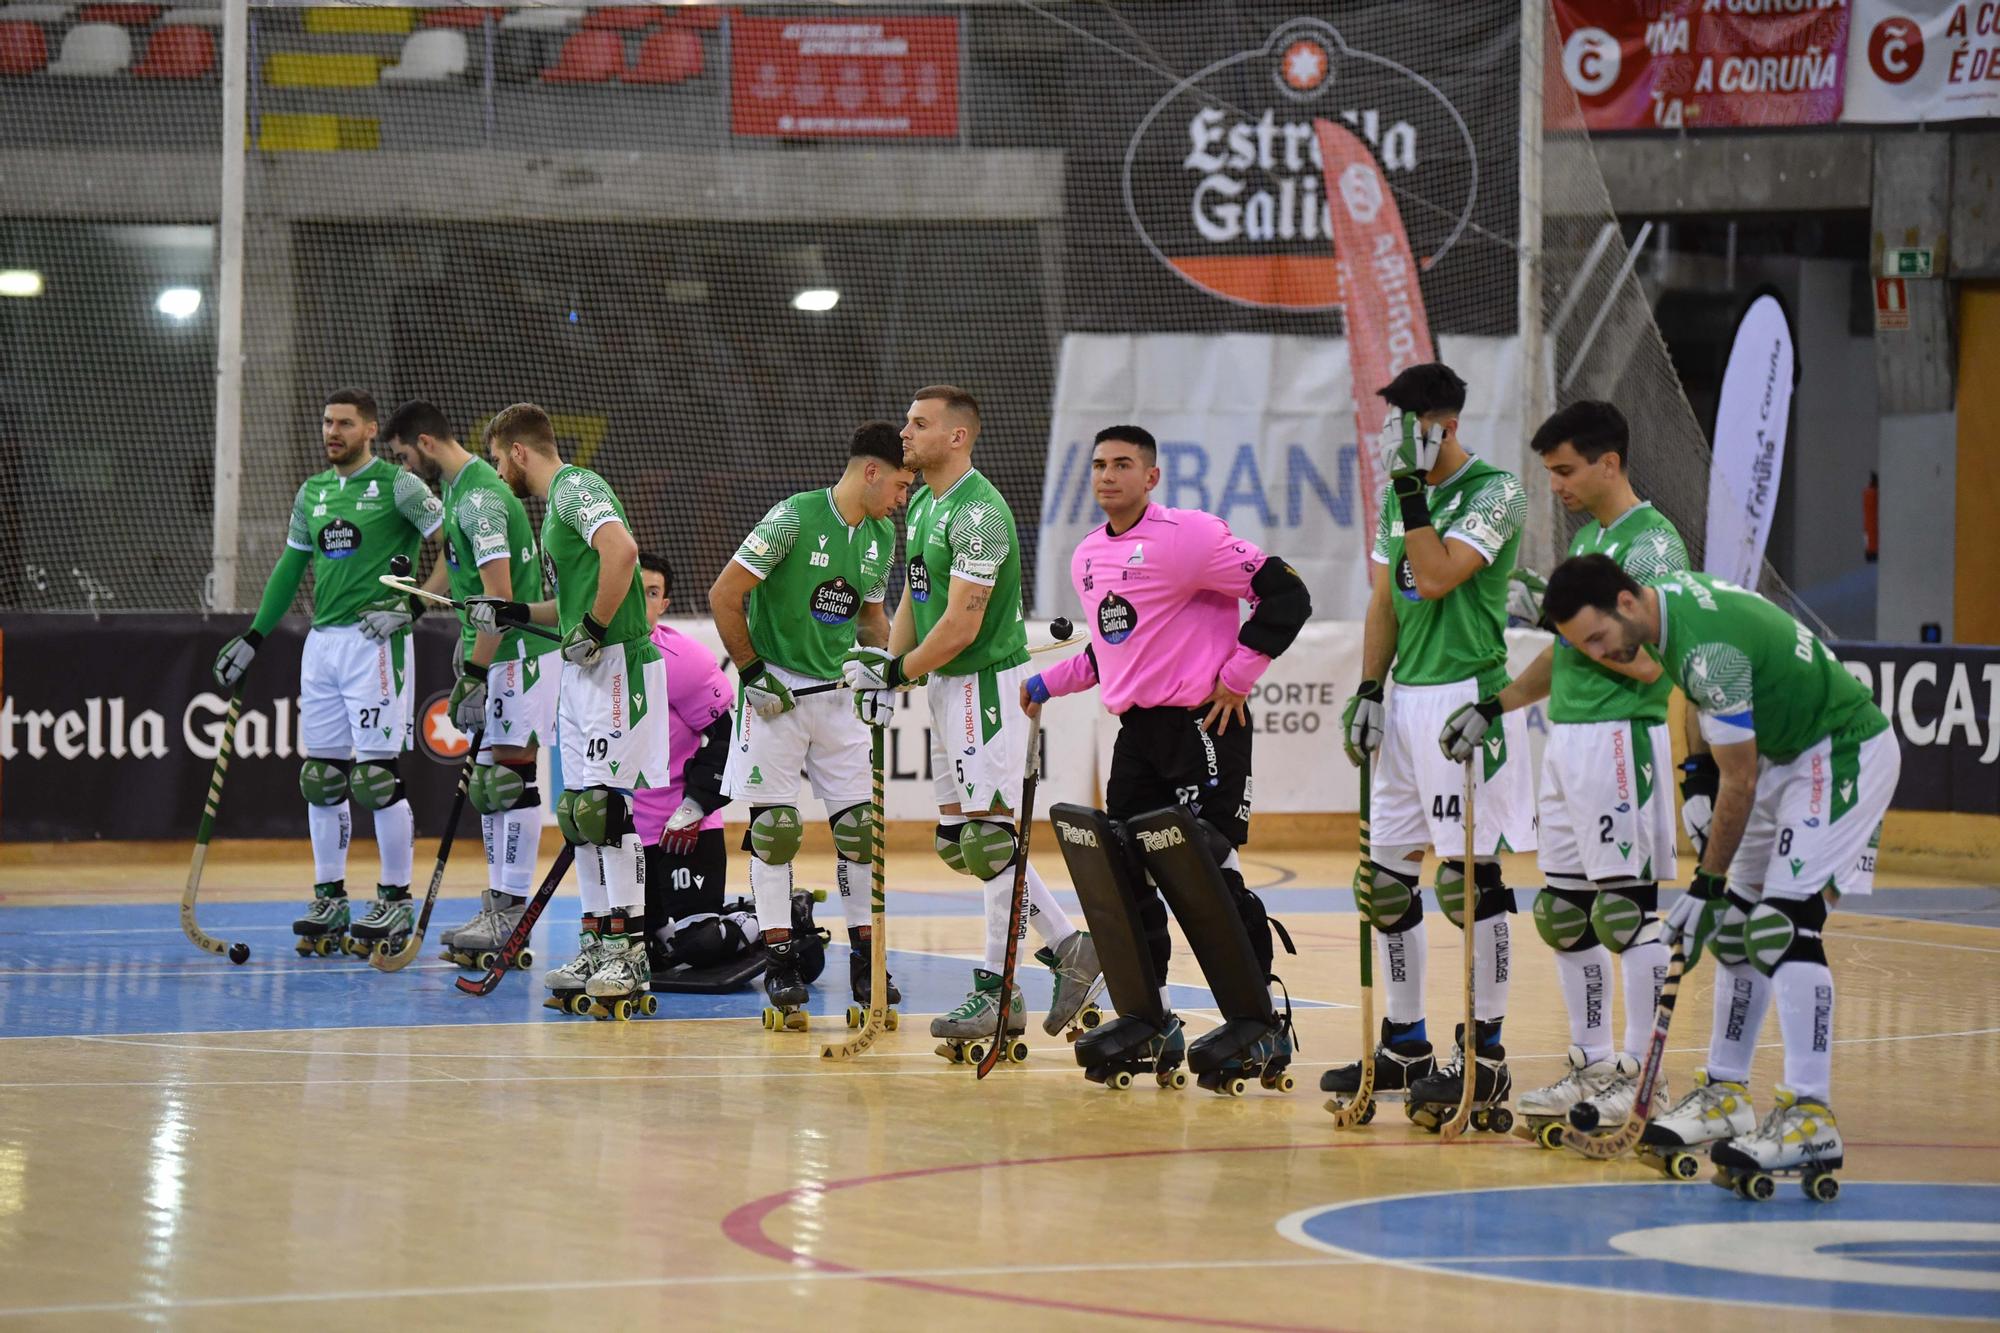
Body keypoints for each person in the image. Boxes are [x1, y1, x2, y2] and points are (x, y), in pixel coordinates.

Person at [1542, 556, 1896, 1187]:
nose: (1599, 654)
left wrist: (1706, 882)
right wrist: (1695, 774)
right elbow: (1700, 708)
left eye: (1597, 639)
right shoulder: (1668, 611)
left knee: (1782, 930)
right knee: (1738, 931)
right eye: (1581, 647)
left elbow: (1743, 774)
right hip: (1787, 756)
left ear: (1626, 602)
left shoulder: (1708, 649)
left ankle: (1810, 1112)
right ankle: (1726, 1095)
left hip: (1839, 750)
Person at [1024, 424, 1310, 1072]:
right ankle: (1148, 1018)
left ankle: (1259, 1020)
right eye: (1098, 464)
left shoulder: (1192, 538)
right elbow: (1116, 648)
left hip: (1202, 728)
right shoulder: (1089, 555)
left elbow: (1287, 594)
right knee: (1118, 869)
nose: (1107, 475)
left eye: (1123, 464)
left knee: (1203, 866)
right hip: (1138, 737)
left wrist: (1237, 676)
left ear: (1151, 477)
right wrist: (1046, 681)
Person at [1436, 401, 1687, 1138]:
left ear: (1610, 462)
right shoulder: (1594, 539)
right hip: (1569, 741)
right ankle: (1593, 1060)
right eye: (1549, 473)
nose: (1557, 486)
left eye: (1567, 470)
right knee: (1566, 912)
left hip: (1620, 740)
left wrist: (1559, 610)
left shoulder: (1652, 547)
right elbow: (1568, 652)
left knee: (1625, 912)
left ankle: (1644, 1075)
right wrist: (1498, 703)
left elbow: (1650, 661)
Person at [841, 385, 1102, 1057]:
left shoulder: (980, 512)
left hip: (984, 684)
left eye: (919, 423)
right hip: (947, 686)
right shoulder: (924, 500)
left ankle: (998, 989)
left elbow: (961, 623)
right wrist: (886, 667)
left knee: (988, 840)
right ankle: (1073, 948)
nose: (906, 432)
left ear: (958, 437)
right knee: (963, 841)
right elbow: (916, 598)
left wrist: (901, 672)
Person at [1326, 362, 1536, 1126]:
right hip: (1405, 700)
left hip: (1462, 698)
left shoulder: (1495, 491)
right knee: (1385, 882)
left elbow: (1440, 575)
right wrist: (1370, 687)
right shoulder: (1395, 492)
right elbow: (1385, 597)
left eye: (1403, 421)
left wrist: (1414, 491)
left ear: (1439, 423)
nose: (1390, 437)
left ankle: (1486, 1053)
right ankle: (1405, 1041)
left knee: (1467, 883)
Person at [211, 388, 442, 957]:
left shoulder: (400, 485)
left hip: (376, 645)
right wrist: (255, 635)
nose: (331, 432)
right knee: (321, 778)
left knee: (376, 779)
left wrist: (412, 604)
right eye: (326, 422)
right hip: (323, 645)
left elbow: (455, 547)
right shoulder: (312, 492)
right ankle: (330, 897)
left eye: (344, 423)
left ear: (369, 430)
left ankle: (395, 898)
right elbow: (290, 570)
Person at [466, 404, 669, 1017]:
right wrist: (519, 614)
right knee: (578, 812)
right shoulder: (555, 509)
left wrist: (597, 625)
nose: (500, 474)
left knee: (606, 810)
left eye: (500, 460)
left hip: (616, 665)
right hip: (582, 668)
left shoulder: (577, 488)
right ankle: (595, 942)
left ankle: (628, 950)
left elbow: (624, 552)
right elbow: (572, 601)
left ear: (519, 451)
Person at [710, 422, 910, 1023]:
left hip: (836, 697)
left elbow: (873, 619)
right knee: (775, 834)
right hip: (774, 691)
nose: (904, 499)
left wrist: (889, 670)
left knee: (859, 833)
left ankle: (864, 963)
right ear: (871, 472)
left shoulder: (880, 536)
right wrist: (751, 674)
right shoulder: (792, 518)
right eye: (900, 485)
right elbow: (725, 594)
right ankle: (780, 964)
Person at [378, 400, 561, 967]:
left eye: (404, 456)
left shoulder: (480, 498)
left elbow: (500, 599)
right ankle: (497, 907)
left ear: (426, 443)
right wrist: (469, 640)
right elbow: (477, 597)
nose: (405, 469)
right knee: (488, 785)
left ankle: (510, 914)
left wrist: (476, 672)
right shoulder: (461, 493)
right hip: (500, 651)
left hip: (522, 654)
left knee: (507, 780)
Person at [635, 552, 735, 965]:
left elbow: (728, 742)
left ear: (664, 604)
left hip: (682, 829)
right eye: (631, 591)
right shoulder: (593, 659)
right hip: (628, 835)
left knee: (700, 944)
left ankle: (771, 919)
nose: (641, 603)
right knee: (640, 949)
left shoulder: (682, 661)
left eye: (652, 593)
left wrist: (694, 806)